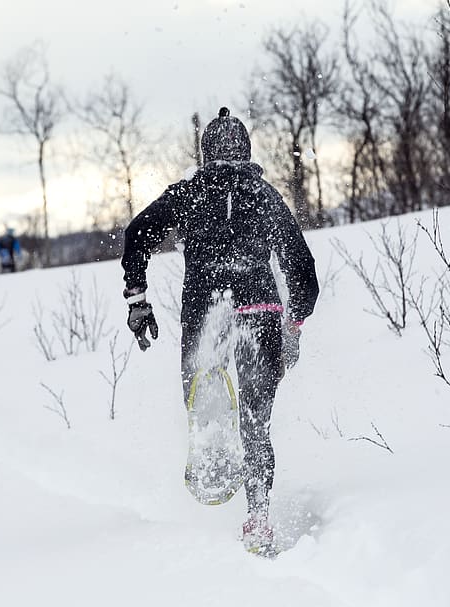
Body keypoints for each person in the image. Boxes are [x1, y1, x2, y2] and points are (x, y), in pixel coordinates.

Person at [120, 107, 320, 552]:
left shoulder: (188, 194)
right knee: (256, 422)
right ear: (246, 151)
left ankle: (214, 450)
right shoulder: (265, 195)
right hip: (263, 312)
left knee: (202, 397)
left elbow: (136, 236)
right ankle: (258, 518)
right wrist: (293, 326)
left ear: (205, 153)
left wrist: (138, 301)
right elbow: (303, 271)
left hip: (207, 316)